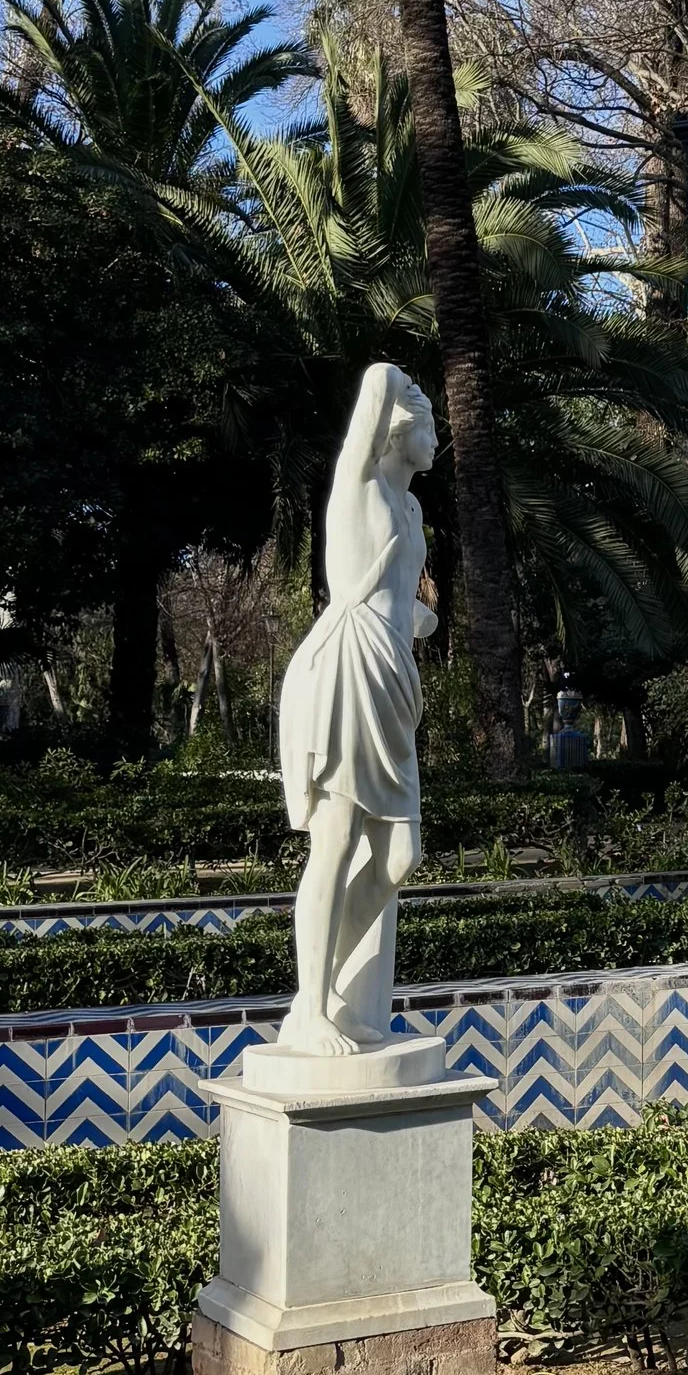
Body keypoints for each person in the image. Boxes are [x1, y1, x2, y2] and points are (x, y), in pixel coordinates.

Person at [274, 361, 437, 1058]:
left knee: (401, 856)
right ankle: (309, 1010)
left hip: (393, 676)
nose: (438, 438)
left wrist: (420, 622)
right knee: (335, 842)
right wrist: (399, 381)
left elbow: (399, 596)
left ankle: (331, 988)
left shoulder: (412, 509)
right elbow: (374, 386)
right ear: (398, 430)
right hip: (346, 671)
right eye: (429, 424)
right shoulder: (360, 485)